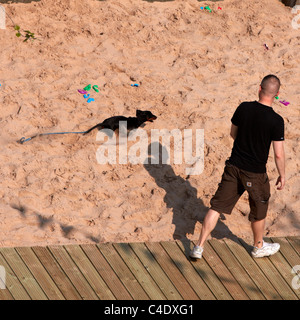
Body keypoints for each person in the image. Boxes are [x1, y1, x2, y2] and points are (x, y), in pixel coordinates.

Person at [190, 74, 285, 259]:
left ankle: (199, 247)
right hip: (255, 173)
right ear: (277, 94)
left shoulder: (244, 107)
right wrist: (282, 175)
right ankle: (258, 246)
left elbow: (233, 133)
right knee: (259, 211)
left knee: (216, 207)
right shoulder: (276, 120)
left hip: (233, 166)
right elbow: (279, 154)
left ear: (260, 89)